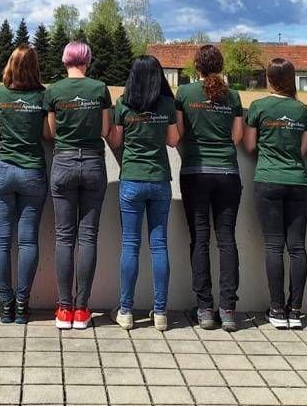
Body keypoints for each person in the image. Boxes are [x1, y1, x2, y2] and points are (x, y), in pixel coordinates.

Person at [175, 44, 244, 332]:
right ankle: (228, 309)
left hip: (195, 172)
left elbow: (178, 133)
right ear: (220, 65)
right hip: (228, 172)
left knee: (199, 240)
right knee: (227, 240)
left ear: (196, 67)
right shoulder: (233, 95)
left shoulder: (185, 94)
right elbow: (238, 136)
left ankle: (204, 309)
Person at [44, 41, 112, 330]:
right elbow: (106, 130)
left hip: (63, 162)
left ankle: (63, 309)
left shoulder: (53, 91)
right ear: (87, 60)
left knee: (63, 237)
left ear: (65, 60)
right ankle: (82, 310)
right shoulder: (100, 89)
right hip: (94, 163)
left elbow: (49, 132)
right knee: (87, 238)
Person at [108, 56, 179, 332]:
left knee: (130, 245)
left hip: (131, 181)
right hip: (159, 180)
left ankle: (125, 311)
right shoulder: (166, 104)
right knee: (159, 245)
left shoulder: (124, 103)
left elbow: (115, 140)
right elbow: (173, 140)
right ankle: (160, 312)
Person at [245, 58, 307, 330]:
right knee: (297, 247)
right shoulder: (301, 110)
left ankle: (276, 309)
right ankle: (295, 310)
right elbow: (305, 148)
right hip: (298, 181)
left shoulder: (259, 107)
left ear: (268, 80)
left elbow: (249, 145)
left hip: (268, 179)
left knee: (274, 246)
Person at [0, 45, 48, 325]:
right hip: (32, 172)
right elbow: (50, 134)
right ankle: (23, 305)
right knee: (27, 241)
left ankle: (5, 304)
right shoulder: (42, 95)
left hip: (2, 171)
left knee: (1, 240)